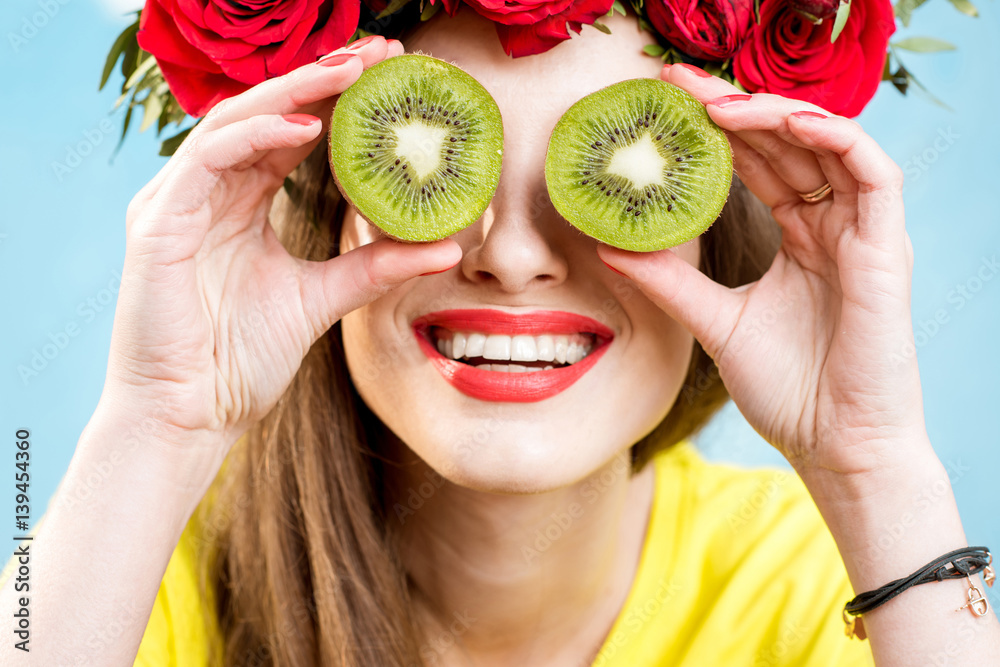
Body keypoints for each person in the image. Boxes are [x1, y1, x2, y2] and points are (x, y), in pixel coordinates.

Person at [1, 6, 997, 667]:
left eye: (598, 187)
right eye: (447, 190)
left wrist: (874, 465)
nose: (514, 257)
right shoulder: (133, 578)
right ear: (316, 217)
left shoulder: (819, 583)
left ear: (716, 232)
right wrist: (154, 425)